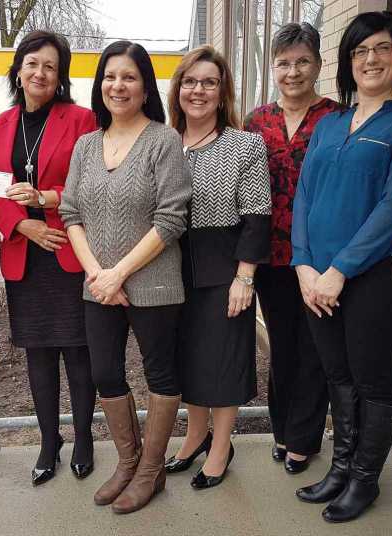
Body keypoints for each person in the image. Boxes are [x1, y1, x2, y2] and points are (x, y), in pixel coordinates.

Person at [290, 12, 392, 523]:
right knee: (337, 376)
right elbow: (304, 198)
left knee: (371, 381)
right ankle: (341, 468)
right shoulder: (329, 123)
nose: (371, 60)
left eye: (382, 49)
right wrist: (305, 266)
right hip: (318, 278)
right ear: (348, 63)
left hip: (375, 276)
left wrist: (340, 270)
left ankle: (364, 480)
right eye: (360, 51)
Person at [59, 41, 191, 514]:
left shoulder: (163, 140)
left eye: (130, 77)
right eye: (111, 76)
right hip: (98, 286)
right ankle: (127, 460)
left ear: (145, 86)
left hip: (154, 284)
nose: (119, 85)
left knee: (160, 373)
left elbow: (172, 218)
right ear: (100, 85)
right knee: (105, 373)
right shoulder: (86, 144)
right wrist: (98, 273)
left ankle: (151, 472)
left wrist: (119, 272)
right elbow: (71, 212)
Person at [0, 30, 97, 487]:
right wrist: (23, 225)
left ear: (60, 76)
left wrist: (48, 202)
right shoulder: (0, 124)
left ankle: (85, 437)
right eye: (32, 63)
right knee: (38, 353)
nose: (39, 72)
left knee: (78, 350)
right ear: (18, 69)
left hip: (70, 249)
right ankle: (49, 442)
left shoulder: (82, 119)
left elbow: (93, 185)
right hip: (25, 255)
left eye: (50, 66)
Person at [162, 45, 271, 489]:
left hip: (224, 268)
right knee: (187, 361)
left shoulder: (244, 145)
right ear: (178, 89)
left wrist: (244, 277)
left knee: (223, 362)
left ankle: (222, 448)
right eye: (190, 81)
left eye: (209, 82)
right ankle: (194, 436)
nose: (198, 90)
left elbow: (258, 216)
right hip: (170, 270)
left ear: (222, 90)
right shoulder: (164, 141)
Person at [243, 22, 337, 473]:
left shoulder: (337, 119)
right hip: (270, 256)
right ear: (273, 67)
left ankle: (304, 439)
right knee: (281, 347)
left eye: (302, 61)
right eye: (283, 63)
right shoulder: (255, 121)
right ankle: (282, 432)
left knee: (314, 348)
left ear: (318, 64)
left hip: (321, 258)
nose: (293, 71)